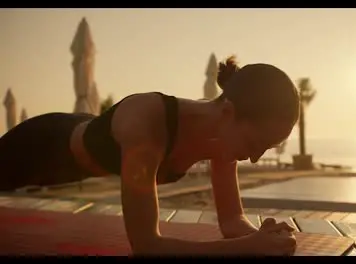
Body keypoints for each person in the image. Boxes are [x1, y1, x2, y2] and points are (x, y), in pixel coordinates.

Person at [0, 56, 300, 255]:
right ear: (227, 112)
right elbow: (146, 245)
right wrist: (249, 247)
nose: (257, 158)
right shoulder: (146, 122)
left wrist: (264, 237)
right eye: (255, 143)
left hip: (77, 152)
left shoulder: (224, 139)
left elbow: (232, 221)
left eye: (267, 148)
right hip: (40, 147)